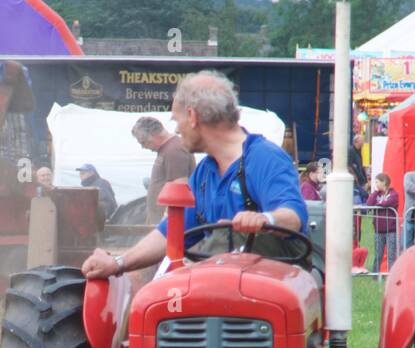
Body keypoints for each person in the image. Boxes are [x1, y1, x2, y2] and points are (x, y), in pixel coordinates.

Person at [81, 70, 306, 282]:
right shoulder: (204, 173)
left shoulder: (265, 158)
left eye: (176, 120)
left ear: (192, 116)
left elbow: (293, 216)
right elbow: (170, 234)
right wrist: (117, 263)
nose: (177, 130)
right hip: (219, 289)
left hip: (268, 289)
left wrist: (266, 220)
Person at [132, 115, 195, 224]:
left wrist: (166, 220)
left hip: (169, 226)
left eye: (143, 142)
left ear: (154, 135)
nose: (144, 147)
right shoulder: (167, 149)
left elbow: (180, 186)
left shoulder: (174, 150)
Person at [365, 173, 400, 273]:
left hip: (391, 230)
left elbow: (389, 202)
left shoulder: (394, 193)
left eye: (377, 182)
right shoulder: (377, 194)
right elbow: (369, 204)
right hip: (378, 230)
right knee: (378, 255)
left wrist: (378, 205)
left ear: (383, 182)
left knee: (391, 255)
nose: (375, 184)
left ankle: (392, 275)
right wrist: (375, 192)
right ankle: (375, 276)